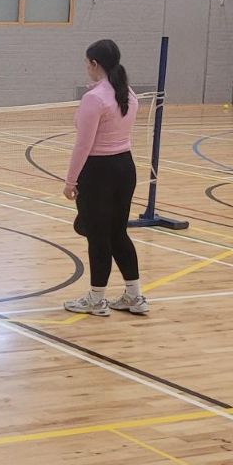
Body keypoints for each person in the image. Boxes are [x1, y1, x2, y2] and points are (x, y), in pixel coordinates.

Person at [62, 39, 148, 317]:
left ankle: (96, 299)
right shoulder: (128, 93)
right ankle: (134, 296)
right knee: (117, 232)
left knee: (98, 237)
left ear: (94, 64)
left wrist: (70, 180)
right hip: (125, 168)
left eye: (87, 62)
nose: (85, 67)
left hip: (98, 173)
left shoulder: (94, 98)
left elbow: (83, 145)